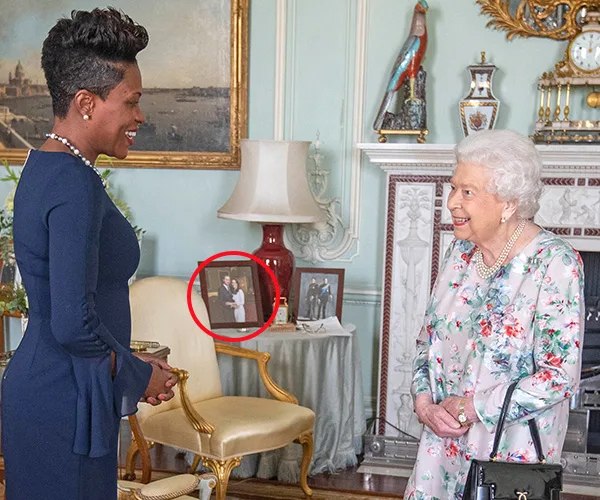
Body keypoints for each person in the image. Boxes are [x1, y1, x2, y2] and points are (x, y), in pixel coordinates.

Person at [1, 9, 178, 500]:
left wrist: (127, 359)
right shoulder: (73, 183)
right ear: (85, 102)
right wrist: (137, 374)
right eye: (131, 102)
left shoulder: (44, 165)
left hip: (58, 388)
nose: (140, 116)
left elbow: (73, 310)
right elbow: (73, 323)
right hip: (63, 399)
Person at [404, 130, 584, 499]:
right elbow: (427, 343)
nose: (452, 202)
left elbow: (559, 378)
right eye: (453, 188)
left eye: (467, 192)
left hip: (510, 455)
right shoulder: (459, 254)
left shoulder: (554, 263)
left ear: (508, 204)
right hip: (442, 448)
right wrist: (424, 404)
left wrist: (470, 408)